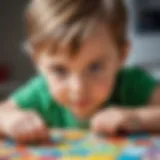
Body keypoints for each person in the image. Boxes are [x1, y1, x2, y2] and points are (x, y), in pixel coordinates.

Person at [0, 0, 160, 143]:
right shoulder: (40, 93)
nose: (78, 88)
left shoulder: (132, 85)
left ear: (122, 55)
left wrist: (138, 117)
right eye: (60, 70)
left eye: (95, 67)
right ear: (37, 61)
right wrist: (9, 119)